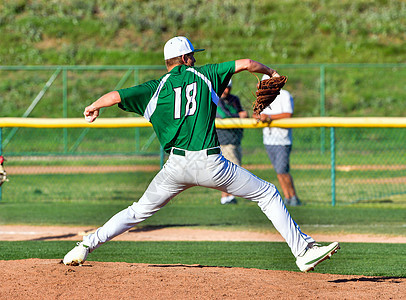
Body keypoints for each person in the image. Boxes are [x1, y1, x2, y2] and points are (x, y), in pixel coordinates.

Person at [63, 36, 339, 272]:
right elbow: (245, 64)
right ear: (183, 58)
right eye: (192, 56)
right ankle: (303, 253)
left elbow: (116, 95)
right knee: (266, 193)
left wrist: (93, 107)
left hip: (175, 167)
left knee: (137, 211)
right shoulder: (206, 75)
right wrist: (271, 73)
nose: (194, 60)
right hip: (211, 164)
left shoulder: (154, 89)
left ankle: (86, 245)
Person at [253, 74, 301, 206]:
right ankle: (288, 197)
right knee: (278, 172)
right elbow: (257, 114)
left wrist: (268, 117)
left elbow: (287, 114)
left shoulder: (284, 95)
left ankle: (294, 197)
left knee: (282, 170)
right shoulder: (263, 98)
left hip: (282, 140)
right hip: (268, 139)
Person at [216, 79, 248, 204]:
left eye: (228, 87)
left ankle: (227, 197)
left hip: (236, 139)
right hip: (224, 141)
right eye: (224, 87)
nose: (226, 90)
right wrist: (239, 116)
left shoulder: (234, 99)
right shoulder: (216, 99)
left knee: (229, 170)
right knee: (235, 169)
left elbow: (244, 114)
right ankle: (227, 196)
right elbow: (223, 116)